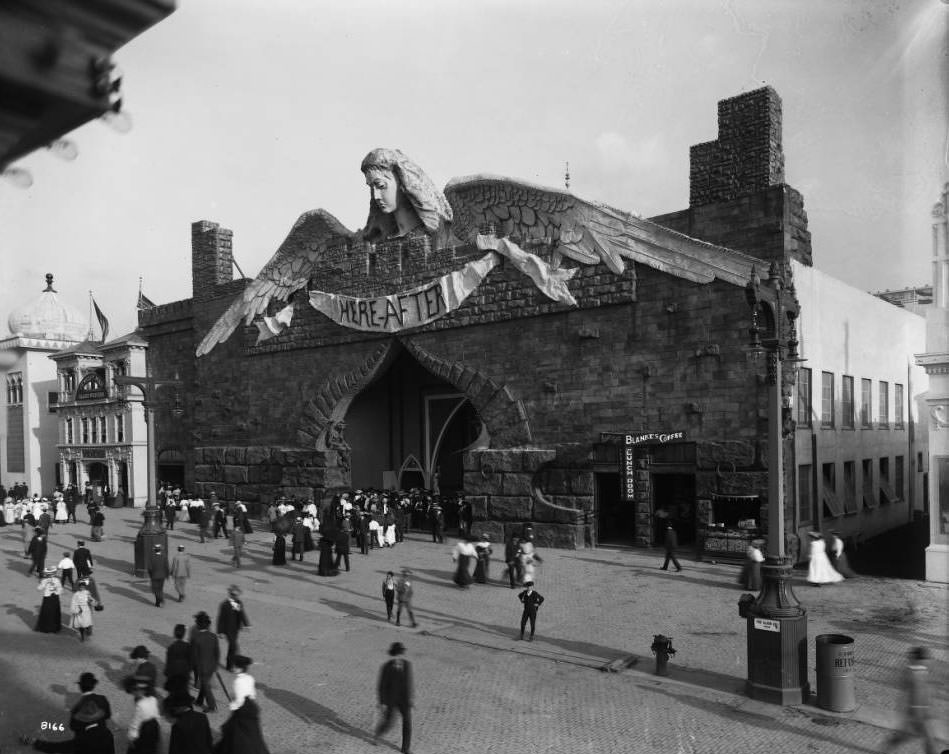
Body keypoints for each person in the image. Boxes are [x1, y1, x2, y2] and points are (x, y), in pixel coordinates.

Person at [361, 146, 452, 245]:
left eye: (381, 186)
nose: (376, 196)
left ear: (402, 182)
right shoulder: (377, 242)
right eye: (371, 188)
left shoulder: (438, 235)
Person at [21, 672, 115, 753]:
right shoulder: (103, 699)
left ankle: (34, 742)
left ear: (80, 686)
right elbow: (108, 715)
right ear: (94, 685)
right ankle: (35, 742)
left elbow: (74, 727)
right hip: (105, 737)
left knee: (60, 747)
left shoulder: (77, 709)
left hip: (85, 742)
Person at [880, 646, 941, 754]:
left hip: (921, 712)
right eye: (926, 658)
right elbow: (916, 694)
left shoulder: (920, 671)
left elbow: (924, 690)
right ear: (920, 659)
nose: (929, 661)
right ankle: (886, 748)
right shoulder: (914, 673)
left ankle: (886, 747)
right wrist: (918, 714)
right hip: (917, 714)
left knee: (916, 737)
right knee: (927, 740)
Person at [373, 642, 414, 754]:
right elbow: (381, 686)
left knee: (407, 722)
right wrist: (382, 702)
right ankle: (378, 733)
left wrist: (410, 698)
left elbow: (409, 683)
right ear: (393, 655)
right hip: (390, 699)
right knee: (389, 722)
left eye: (400, 654)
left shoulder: (407, 665)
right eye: (397, 654)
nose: (399, 656)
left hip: (404, 700)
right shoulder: (386, 667)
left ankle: (405, 748)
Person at [191, 611, 220, 713]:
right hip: (211, 666)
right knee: (204, 684)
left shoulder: (196, 638)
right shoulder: (213, 636)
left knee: (206, 686)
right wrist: (215, 665)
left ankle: (212, 706)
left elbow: (194, 656)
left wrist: (193, 667)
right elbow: (217, 653)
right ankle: (199, 700)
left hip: (201, 667)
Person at [217, 585, 250, 671]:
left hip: (235, 629)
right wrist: (220, 632)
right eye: (234, 595)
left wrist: (246, 624)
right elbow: (220, 619)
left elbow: (241, 614)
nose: (236, 597)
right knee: (233, 647)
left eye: (237, 595)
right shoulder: (224, 604)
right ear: (230, 594)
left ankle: (229, 665)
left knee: (232, 648)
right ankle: (232, 665)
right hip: (227, 630)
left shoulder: (237, 603)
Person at [125, 677, 161, 754]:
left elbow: (135, 723)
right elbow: (157, 715)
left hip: (144, 729)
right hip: (154, 727)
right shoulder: (153, 699)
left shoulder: (140, 704)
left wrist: (131, 737)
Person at [164, 623, 192, 692]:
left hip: (173, 674)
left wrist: (167, 673)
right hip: (184, 674)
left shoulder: (171, 647)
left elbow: (169, 662)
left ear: (174, 634)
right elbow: (191, 661)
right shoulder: (188, 646)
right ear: (184, 635)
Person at [35, 567, 63, 633]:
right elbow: (39, 588)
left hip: (53, 597)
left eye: (52, 574)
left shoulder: (57, 580)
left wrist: (55, 590)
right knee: (48, 612)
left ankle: (54, 628)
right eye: (49, 574)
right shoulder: (45, 580)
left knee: (54, 612)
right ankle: (48, 628)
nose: (51, 576)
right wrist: (44, 583)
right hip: (49, 598)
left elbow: (60, 589)